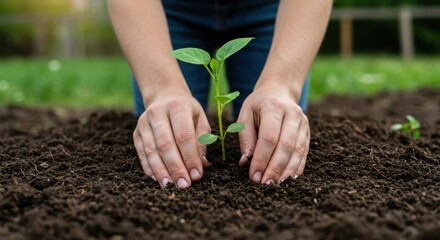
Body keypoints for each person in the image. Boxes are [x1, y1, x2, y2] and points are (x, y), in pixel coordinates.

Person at [108, 0, 333, 189]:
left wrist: (283, 85)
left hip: (274, 9)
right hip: (164, 10)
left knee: (275, 126)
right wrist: (161, 88)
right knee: (168, 129)